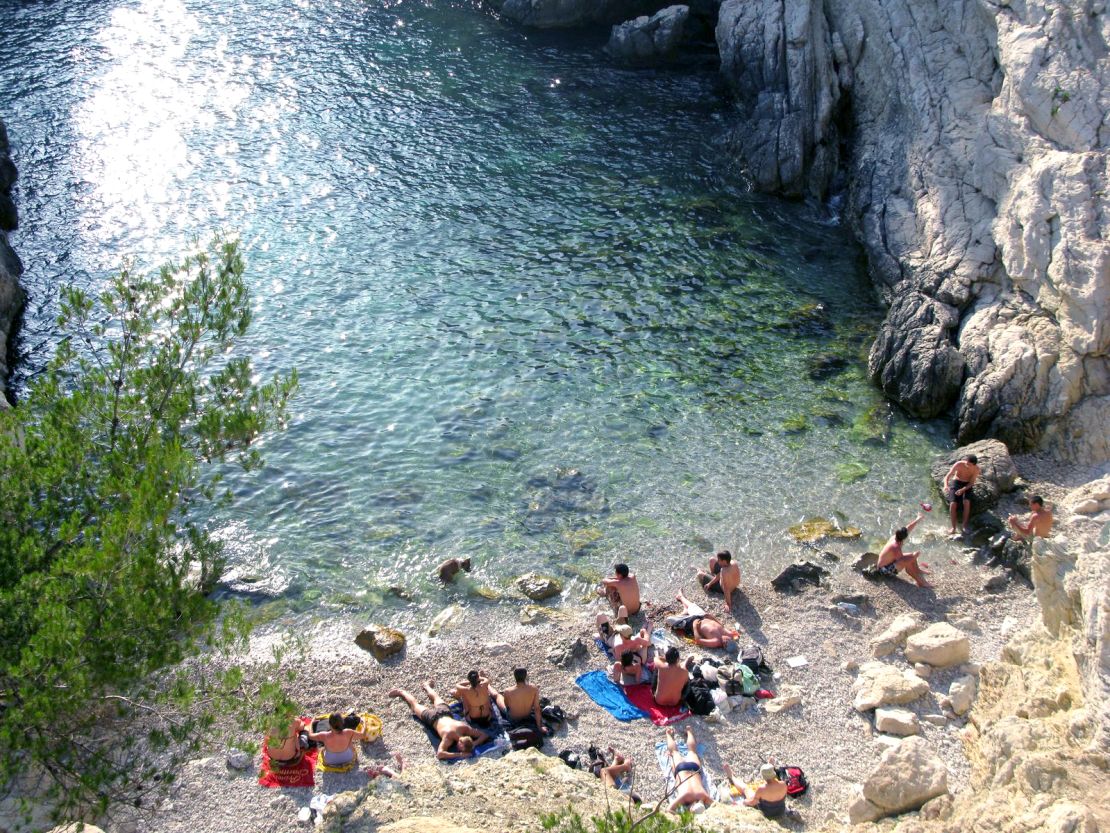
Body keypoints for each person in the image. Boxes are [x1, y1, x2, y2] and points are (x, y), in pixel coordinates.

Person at [389, 682, 490, 761]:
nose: (459, 749)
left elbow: (484, 735)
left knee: (436, 698)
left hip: (445, 712)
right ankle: (401, 692)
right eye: (460, 748)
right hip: (433, 718)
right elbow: (440, 754)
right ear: (460, 742)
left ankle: (426, 686)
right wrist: (460, 754)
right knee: (415, 705)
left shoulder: (465, 729)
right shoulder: (448, 738)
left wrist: (475, 744)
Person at [666, 591, 740, 650]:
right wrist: (710, 616)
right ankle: (681, 597)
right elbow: (721, 625)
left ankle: (684, 612)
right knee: (692, 605)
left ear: (723, 647)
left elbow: (698, 641)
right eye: (728, 641)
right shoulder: (729, 634)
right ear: (731, 639)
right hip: (702, 616)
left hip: (692, 623)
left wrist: (695, 627)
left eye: (725, 644)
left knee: (669, 619)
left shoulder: (716, 642)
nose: (725, 641)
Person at [664, 726, 714, 813]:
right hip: (681, 769)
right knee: (674, 752)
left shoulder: (703, 795)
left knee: (692, 751)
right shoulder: (684, 797)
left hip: (693, 768)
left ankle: (689, 731)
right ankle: (668, 734)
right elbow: (669, 809)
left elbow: (715, 805)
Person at [875, 513, 932, 588]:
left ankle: (917, 570)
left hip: (889, 562)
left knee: (911, 555)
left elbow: (908, 527)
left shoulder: (896, 537)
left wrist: (918, 519)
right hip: (884, 570)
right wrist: (914, 557)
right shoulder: (896, 547)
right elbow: (902, 561)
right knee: (909, 560)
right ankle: (920, 582)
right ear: (904, 537)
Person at [495, 667, 546, 734]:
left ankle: (488, 686)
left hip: (513, 719)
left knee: (497, 696)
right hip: (527, 715)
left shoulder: (508, 691)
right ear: (525, 677)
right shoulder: (534, 689)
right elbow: (537, 708)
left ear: (515, 677)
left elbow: (507, 705)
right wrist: (539, 727)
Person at [944, 454, 981, 535]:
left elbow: (971, 483)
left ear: (974, 464)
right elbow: (948, 476)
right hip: (956, 482)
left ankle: (964, 526)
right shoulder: (959, 464)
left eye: (969, 464)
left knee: (966, 503)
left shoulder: (976, 469)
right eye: (966, 463)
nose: (966, 465)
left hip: (967, 485)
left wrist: (963, 490)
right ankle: (953, 527)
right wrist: (946, 485)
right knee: (953, 504)